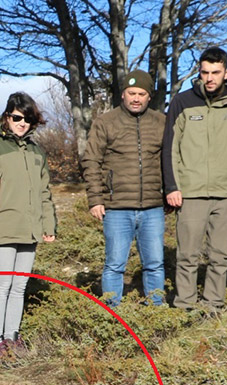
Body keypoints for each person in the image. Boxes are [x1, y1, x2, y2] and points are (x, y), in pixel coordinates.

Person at [163, 46, 227, 313]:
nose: (210, 78)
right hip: (190, 192)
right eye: (205, 72)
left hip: (226, 192)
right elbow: (171, 147)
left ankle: (213, 305)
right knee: (187, 255)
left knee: (219, 255)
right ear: (199, 72)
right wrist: (172, 186)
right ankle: (185, 306)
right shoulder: (182, 101)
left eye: (216, 72)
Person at [0, 92, 57, 365]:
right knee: (1, 285)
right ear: (7, 117)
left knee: (19, 287)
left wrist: (48, 224)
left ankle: (12, 336)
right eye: (17, 117)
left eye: (28, 119)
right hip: (2, 227)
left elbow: (45, 192)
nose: (22, 123)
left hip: (29, 229)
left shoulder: (36, 152)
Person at [82, 69, 166, 307]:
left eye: (141, 93)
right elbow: (91, 161)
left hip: (153, 207)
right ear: (123, 94)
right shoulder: (105, 122)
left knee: (155, 264)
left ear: (149, 96)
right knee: (114, 265)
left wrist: (169, 193)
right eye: (131, 93)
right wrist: (95, 199)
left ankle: (157, 313)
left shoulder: (162, 122)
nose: (136, 98)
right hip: (116, 207)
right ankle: (112, 314)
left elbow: (171, 160)